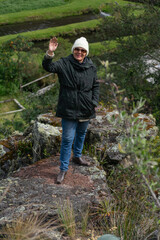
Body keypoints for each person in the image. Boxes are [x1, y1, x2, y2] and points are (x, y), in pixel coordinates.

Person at [42, 36, 99, 184]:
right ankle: (63, 169)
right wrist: (50, 53)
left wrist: (94, 101)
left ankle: (77, 156)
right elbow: (49, 67)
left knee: (81, 134)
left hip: (86, 107)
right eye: (77, 49)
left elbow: (95, 85)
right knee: (67, 139)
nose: (79, 52)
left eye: (82, 50)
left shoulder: (91, 67)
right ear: (73, 50)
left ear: (86, 52)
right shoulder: (64, 63)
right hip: (68, 107)